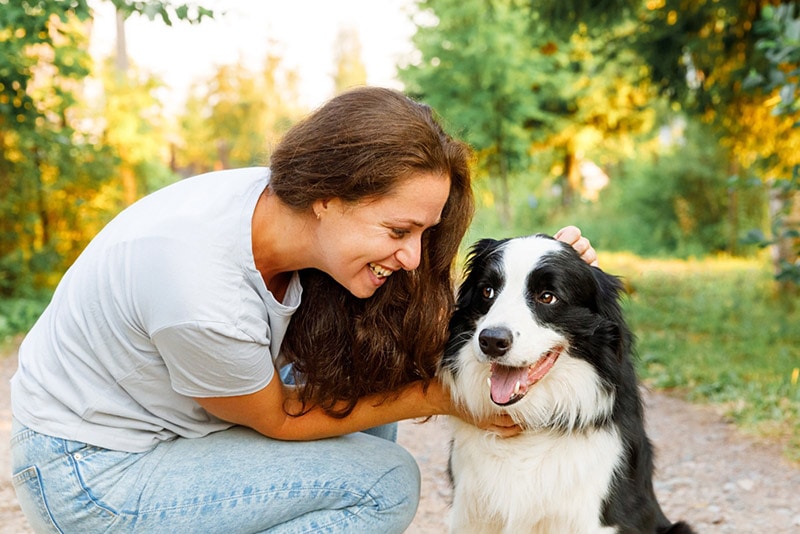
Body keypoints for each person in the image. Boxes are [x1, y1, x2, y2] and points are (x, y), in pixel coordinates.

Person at [10, 86, 597, 533]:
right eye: (399, 229)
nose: (414, 257)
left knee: (362, 376)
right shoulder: (198, 284)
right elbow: (280, 418)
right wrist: (434, 396)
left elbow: (427, 324)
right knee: (382, 483)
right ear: (327, 196)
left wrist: (544, 266)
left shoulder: (276, 211)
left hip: (172, 433)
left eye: (423, 232)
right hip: (93, 477)